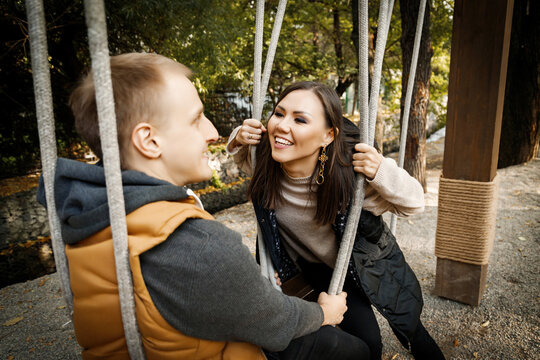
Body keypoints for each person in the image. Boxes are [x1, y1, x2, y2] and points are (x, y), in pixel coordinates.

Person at [37, 54, 372, 359]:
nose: (213, 132)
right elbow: (271, 319)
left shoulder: (90, 206)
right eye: (197, 119)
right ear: (149, 141)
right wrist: (322, 314)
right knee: (353, 351)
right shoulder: (195, 244)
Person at [227, 81, 446, 360]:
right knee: (318, 345)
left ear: (328, 136)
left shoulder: (348, 180)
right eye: (279, 114)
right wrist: (238, 136)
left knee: (386, 338)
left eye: (300, 119)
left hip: (351, 268)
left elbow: (414, 203)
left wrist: (381, 170)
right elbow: (240, 151)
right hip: (299, 271)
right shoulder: (265, 164)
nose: (282, 126)